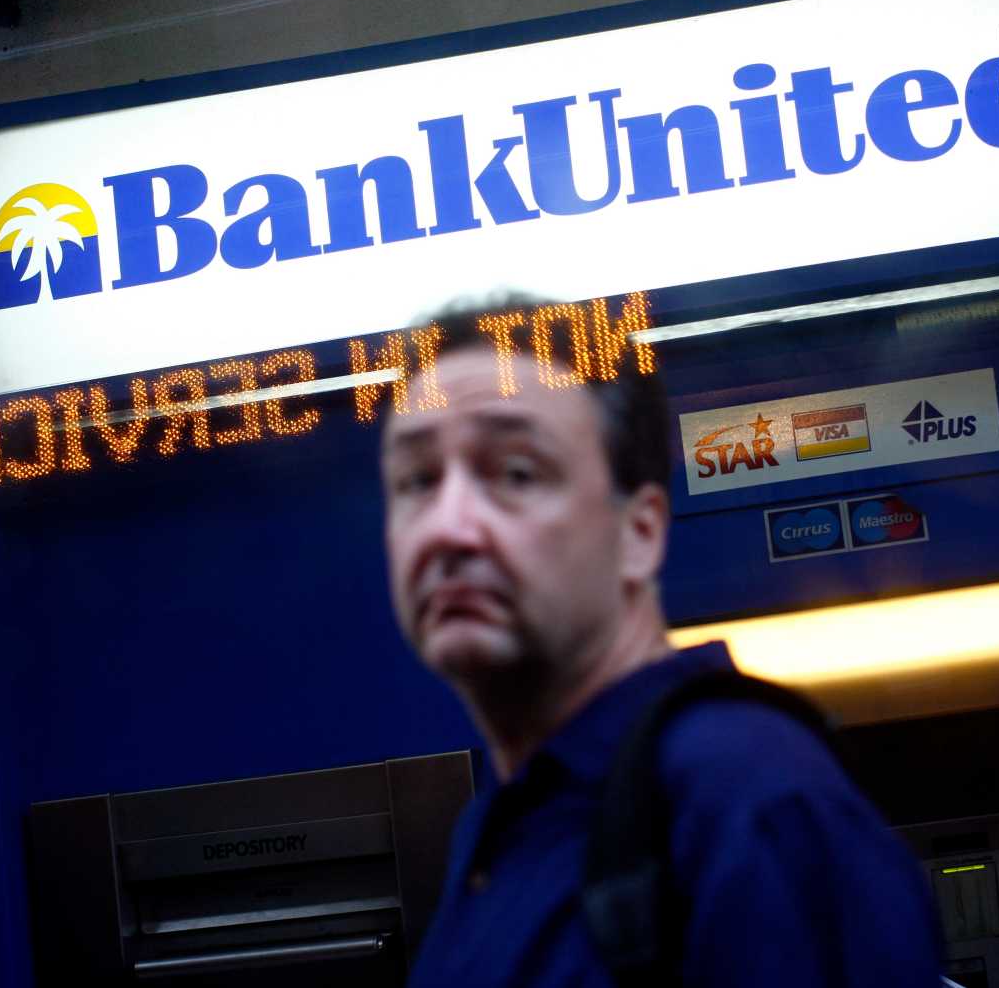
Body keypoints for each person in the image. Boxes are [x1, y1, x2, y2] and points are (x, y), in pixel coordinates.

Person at [379, 296, 942, 987]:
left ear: (640, 534)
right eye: (417, 481)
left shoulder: (746, 797)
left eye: (516, 474)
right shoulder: (492, 832)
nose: (450, 527)